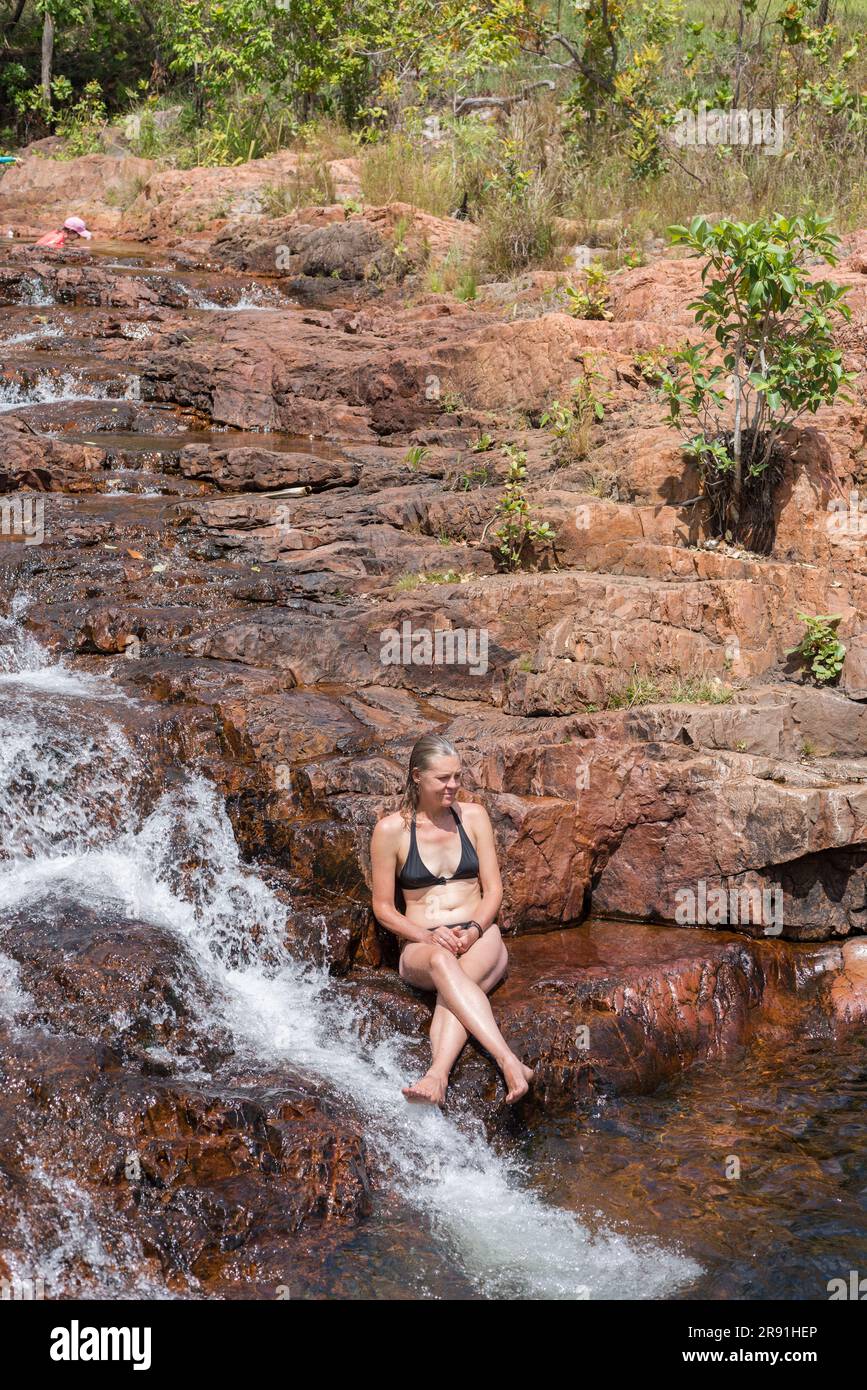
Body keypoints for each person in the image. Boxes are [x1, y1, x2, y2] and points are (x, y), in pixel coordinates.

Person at [371, 733, 534, 1107]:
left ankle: (436, 1076)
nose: (453, 786)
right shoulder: (391, 831)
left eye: (457, 777)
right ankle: (509, 1061)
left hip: (479, 935)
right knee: (444, 966)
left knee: (453, 993)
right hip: (422, 945)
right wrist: (427, 938)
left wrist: (475, 929)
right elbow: (383, 907)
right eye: (443, 778)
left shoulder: (473, 817)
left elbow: (493, 890)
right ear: (417, 777)